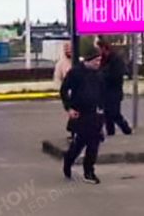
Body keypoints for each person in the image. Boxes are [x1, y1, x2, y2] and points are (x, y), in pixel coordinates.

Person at [60, 47, 104, 184]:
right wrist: (69, 108)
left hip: (95, 114)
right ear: (89, 60)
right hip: (80, 113)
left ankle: (89, 171)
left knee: (94, 143)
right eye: (96, 60)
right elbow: (64, 90)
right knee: (80, 143)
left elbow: (102, 92)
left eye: (100, 60)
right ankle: (68, 161)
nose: (98, 63)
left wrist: (103, 108)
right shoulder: (75, 73)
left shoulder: (99, 74)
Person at [98, 40, 132, 136]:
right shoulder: (103, 60)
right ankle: (110, 132)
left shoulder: (116, 60)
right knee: (107, 113)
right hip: (105, 91)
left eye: (101, 49)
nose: (100, 52)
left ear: (105, 49)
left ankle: (126, 129)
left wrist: (103, 75)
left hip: (114, 91)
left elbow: (117, 75)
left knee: (115, 113)